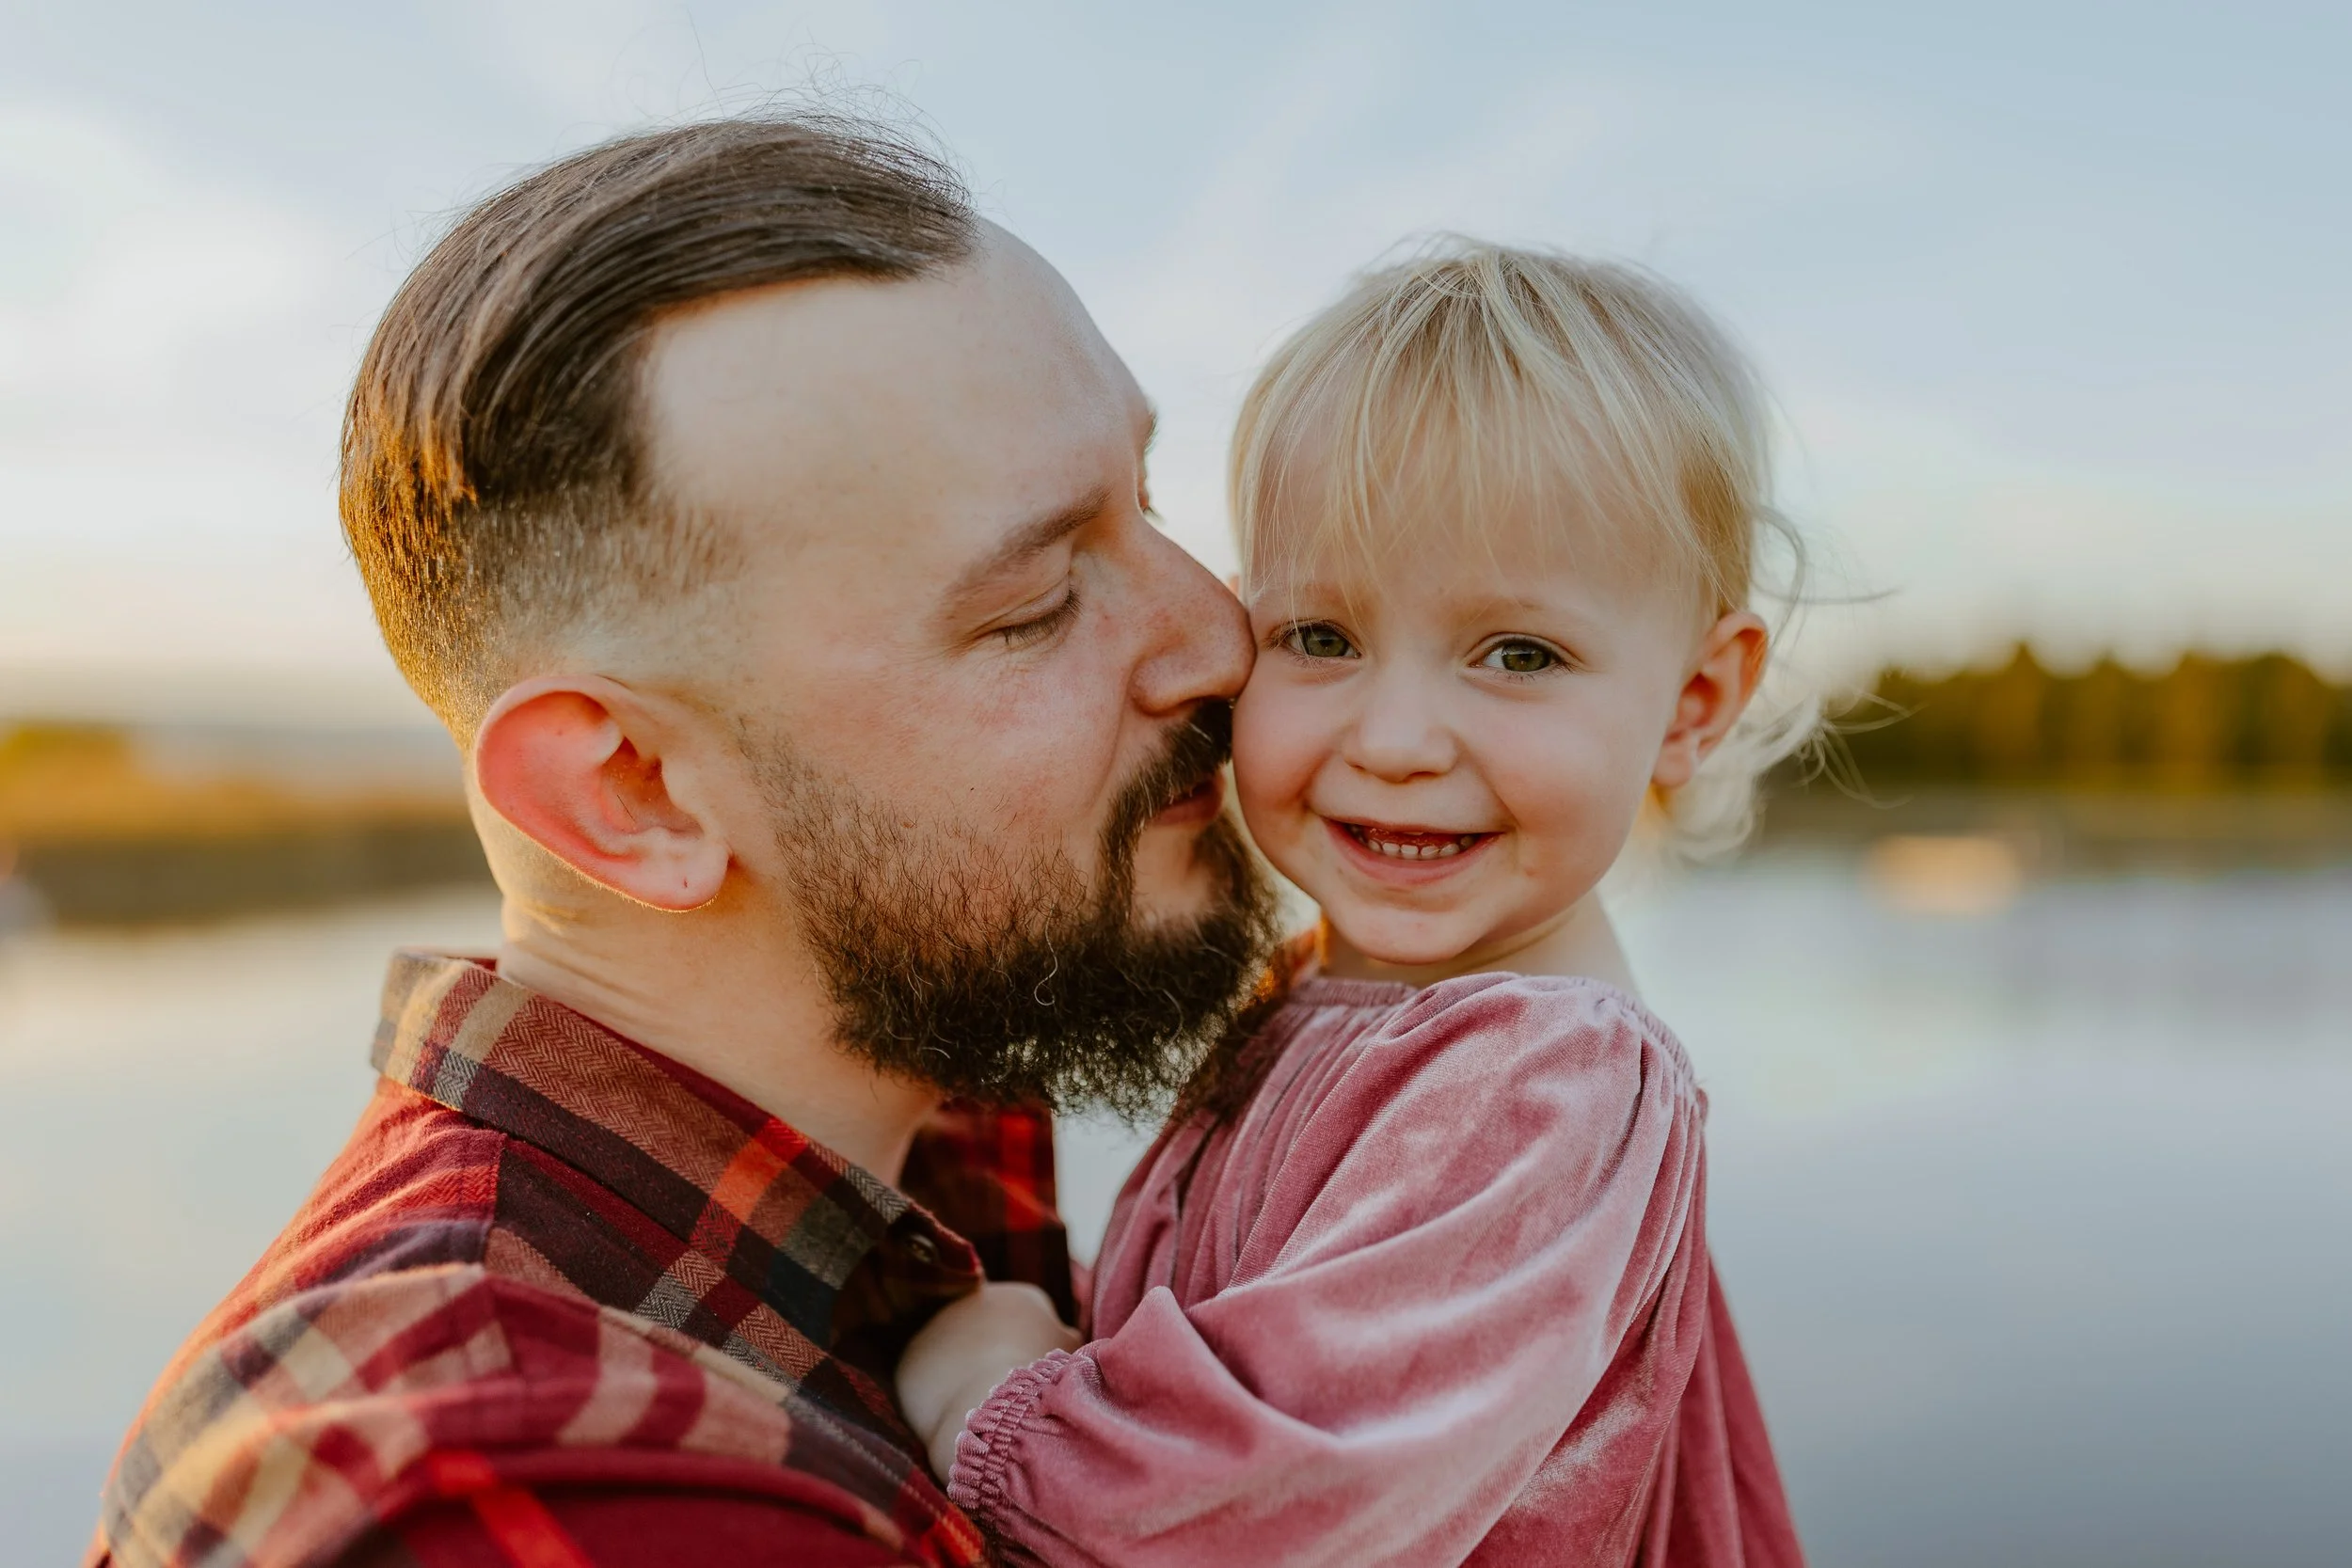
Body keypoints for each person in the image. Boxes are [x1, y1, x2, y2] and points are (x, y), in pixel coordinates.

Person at [85, 115, 1280, 1568]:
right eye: (1031, 604)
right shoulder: (546, 1491)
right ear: (632, 791)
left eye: (1145, 501)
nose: (1221, 638)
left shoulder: (916, 1163)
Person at [897, 241, 1811, 1565]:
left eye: (1518, 654)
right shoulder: (1332, 999)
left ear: (1694, 703)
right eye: (1320, 637)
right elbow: (1252, 1323)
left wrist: (993, 1398)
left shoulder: (1543, 1082)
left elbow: (1268, 1514)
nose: (1393, 740)